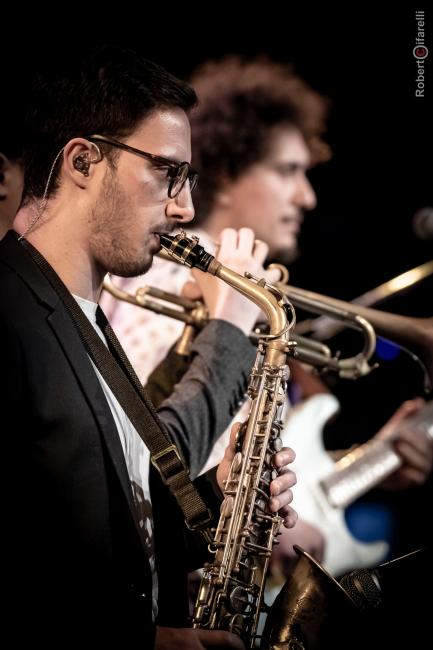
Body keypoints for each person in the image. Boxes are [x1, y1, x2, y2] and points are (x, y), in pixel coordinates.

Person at [0, 46, 299, 649]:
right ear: (83, 160)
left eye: (187, 179)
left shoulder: (86, 317)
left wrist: (219, 493)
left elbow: (103, 540)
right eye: (167, 173)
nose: (185, 207)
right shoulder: (9, 311)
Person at [101, 56, 433, 577]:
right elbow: (143, 447)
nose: (307, 196)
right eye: (288, 171)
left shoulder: (244, 292)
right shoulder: (170, 274)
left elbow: (239, 451)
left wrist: (366, 464)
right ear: (229, 175)